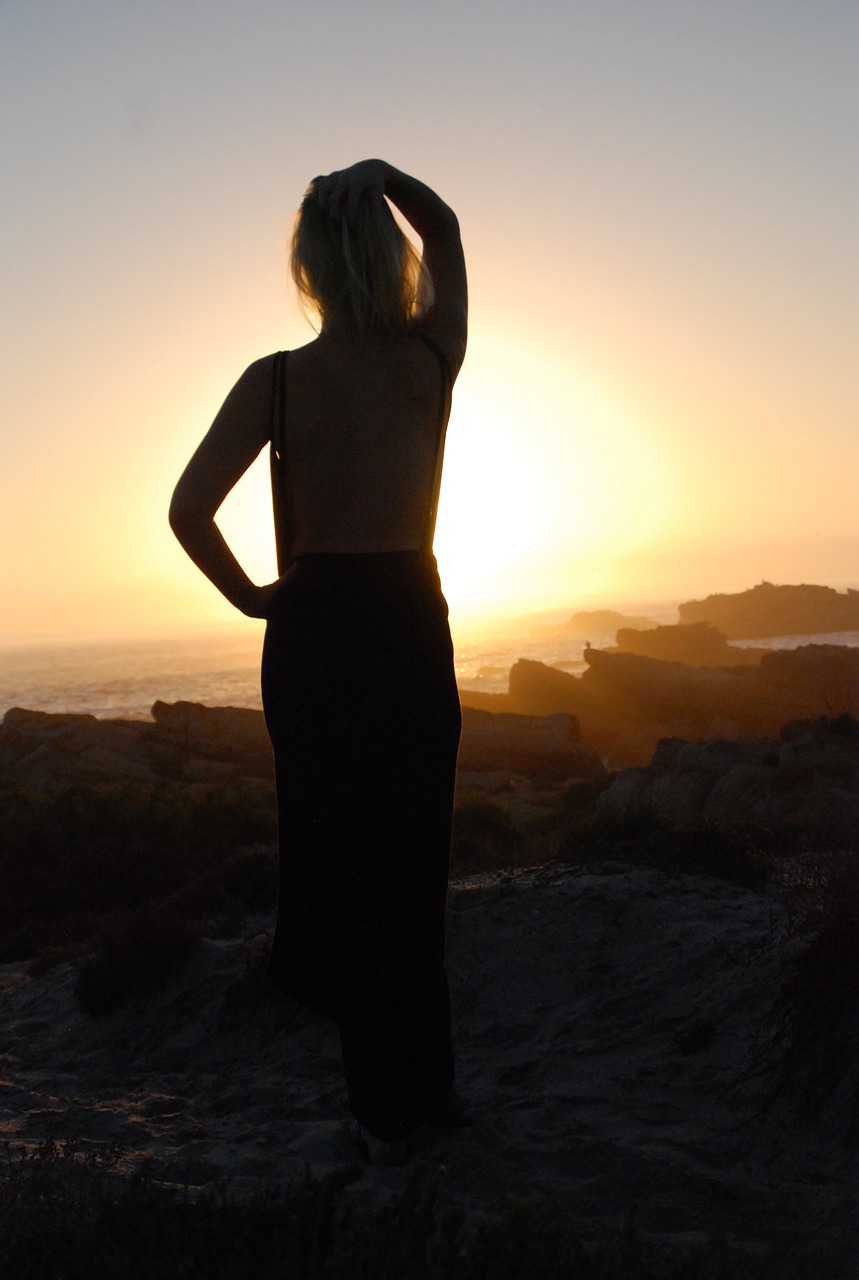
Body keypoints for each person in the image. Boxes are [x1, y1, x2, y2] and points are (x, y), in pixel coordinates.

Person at [169, 159, 468, 1165]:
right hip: (405, 622)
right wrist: (384, 175)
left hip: (312, 630)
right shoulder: (432, 356)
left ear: (308, 262)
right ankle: (422, 1094)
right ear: (387, 256)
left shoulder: (278, 380)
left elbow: (187, 510)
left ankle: (381, 1102)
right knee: (411, 863)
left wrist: (253, 595)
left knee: (341, 868)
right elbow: (449, 226)